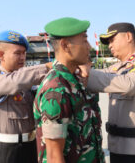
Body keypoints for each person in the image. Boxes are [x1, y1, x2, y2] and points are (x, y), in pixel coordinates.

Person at [81, 23, 135, 163]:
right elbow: (93, 79)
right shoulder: (114, 68)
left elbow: (129, 84)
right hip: (116, 149)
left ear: (128, 36)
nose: (109, 45)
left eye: (112, 40)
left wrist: (86, 74)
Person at [34, 17, 104, 163]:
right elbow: (54, 157)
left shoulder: (75, 81)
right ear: (65, 45)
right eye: (84, 40)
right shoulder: (56, 89)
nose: (89, 46)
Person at [0, 30, 52, 163]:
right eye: (17, 53)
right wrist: (48, 67)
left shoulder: (26, 81)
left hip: (32, 145)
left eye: (24, 53)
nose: (22, 57)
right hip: (9, 151)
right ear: (1, 55)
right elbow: (15, 81)